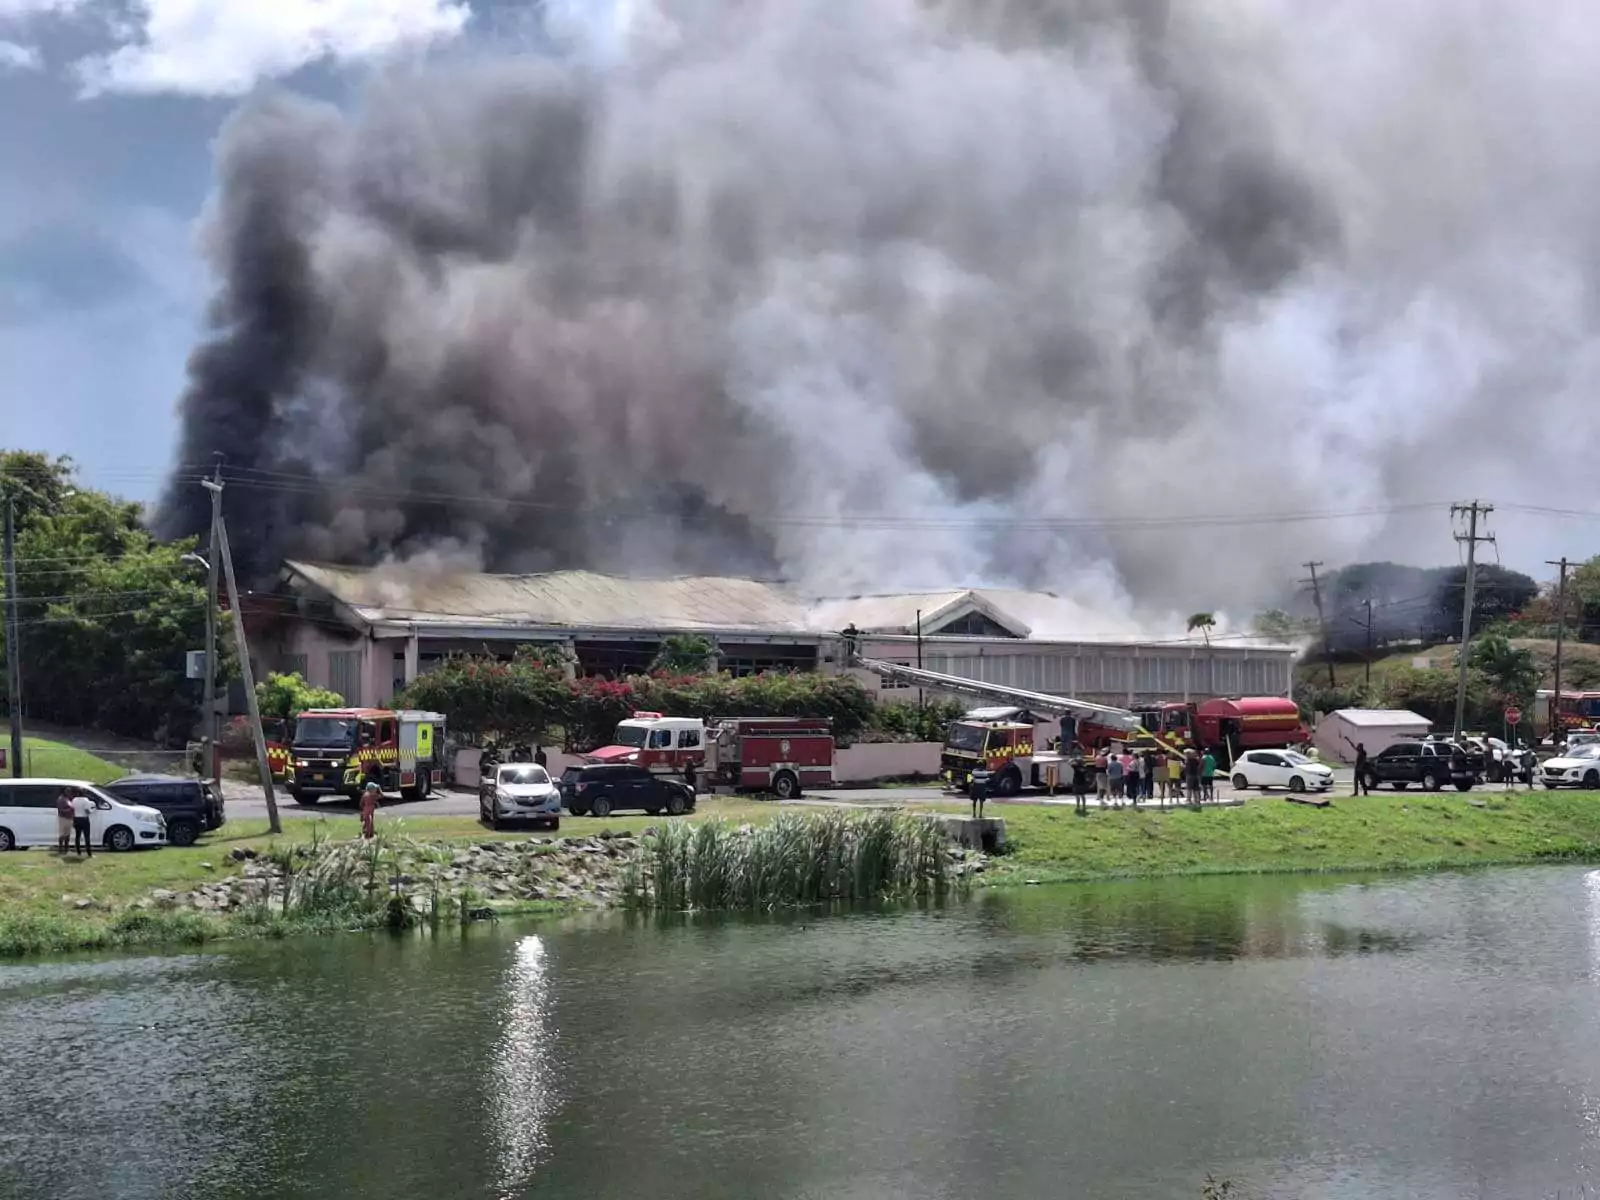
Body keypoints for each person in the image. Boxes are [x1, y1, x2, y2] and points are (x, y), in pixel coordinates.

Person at [70, 788, 94, 856]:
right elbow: (87, 810)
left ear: (78, 793)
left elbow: (72, 809)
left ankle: (78, 852)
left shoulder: (74, 800)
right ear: (84, 793)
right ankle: (89, 853)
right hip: (84, 819)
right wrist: (91, 811)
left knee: (77, 836)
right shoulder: (86, 800)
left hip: (76, 819)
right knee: (87, 837)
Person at [56, 788, 74, 854]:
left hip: (69, 819)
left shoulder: (68, 799)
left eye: (69, 791)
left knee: (67, 835)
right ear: (64, 791)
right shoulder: (61, 799)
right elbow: (61, 810)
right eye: (67, 791)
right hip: (63, 819)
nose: (69, 793)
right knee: (62, 835)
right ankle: (60, 849)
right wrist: (70, 810)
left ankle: (66, 849)